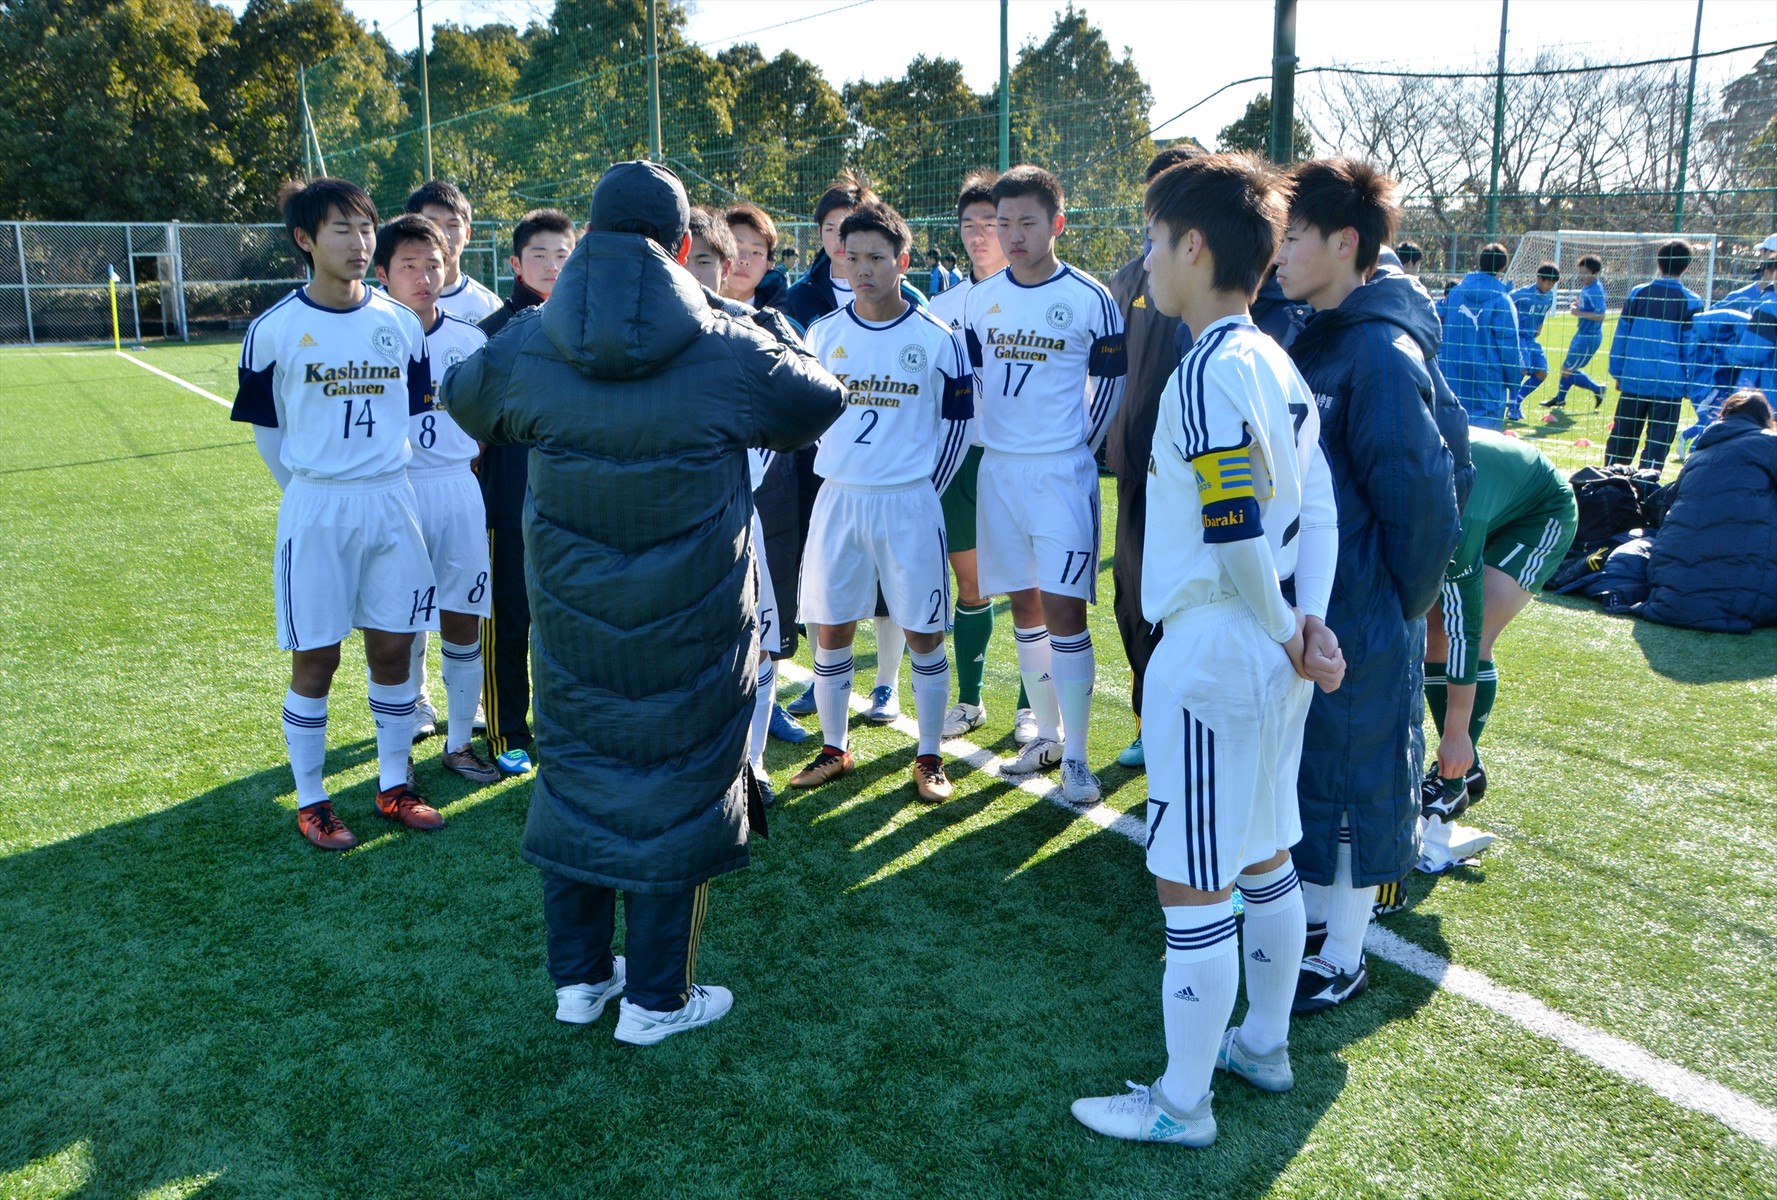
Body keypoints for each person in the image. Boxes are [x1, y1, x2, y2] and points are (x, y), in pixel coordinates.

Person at [442, 160, 845, 1044]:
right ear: (684, 246)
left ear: (586, 240)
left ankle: (580, 982)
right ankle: (656, 1000)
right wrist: (753, 319)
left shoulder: (535, 339)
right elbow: (819, 398)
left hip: (574, 620)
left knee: (578, 778)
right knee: (678, 791)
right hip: (693, 623)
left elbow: (463, 397)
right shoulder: (728, 343)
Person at [1071, 152, 1344, 1148]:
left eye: (1150, 238)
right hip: (1268, 648)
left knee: (1192, 886)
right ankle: (1262, 1046)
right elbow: (1314, 509)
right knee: (1267, 856)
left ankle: (1182, 1105)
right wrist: (1306, 625)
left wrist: (1284, 628)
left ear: (1192, 246)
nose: (1142, 259)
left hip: (1219, 646)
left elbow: (1232, 532)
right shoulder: (1276, 362)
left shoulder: (1208, 371)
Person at [1272, 157, 1460, 1013]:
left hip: (1362, 614)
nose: (1277, 253)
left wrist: (1390, 607)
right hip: (1317, 608)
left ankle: (1341, 953)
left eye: (1293, 236)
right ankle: (1314, 918)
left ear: (1344, 243)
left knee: (1354, 773)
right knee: (1312, 765)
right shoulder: (1314, 331)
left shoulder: (1380, 354)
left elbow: (1421, 506)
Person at [231, 177, 445, 850]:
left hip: (391, 501)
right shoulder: (273, 331)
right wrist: (308, 491)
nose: (359, 243)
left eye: (365, 228)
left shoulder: (397, 324)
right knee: (315, 660)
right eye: (342, 230)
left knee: (393, 650)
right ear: (305, 240)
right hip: (317, 507)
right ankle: (313, 799)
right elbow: (268, 434)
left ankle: (392, 784)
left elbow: (409, 414)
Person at [791, 201, 974, 803]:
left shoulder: (938, 338)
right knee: (832, 628)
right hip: (839, 499)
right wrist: (844, 469)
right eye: (852, 256)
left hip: (908, 503)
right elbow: (814, 419)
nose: (862, 268)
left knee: (923, 631)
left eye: (876, 257)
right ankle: (835, 748)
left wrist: (922, 487)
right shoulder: (823, 334)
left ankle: (928, 756)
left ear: (903, 260)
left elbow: (958, 427)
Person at [964, 164, 1126, 803]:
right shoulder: (982, 299)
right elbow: (975, 382)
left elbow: (1110, 385)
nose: (1013, 234)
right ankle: (1047, 735)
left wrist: (1074, 449)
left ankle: (1080, 759)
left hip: (1061, 472)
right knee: (1023, 606)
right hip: (999, 470)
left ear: (1056, 223)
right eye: (1003, 223)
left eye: (1027, 221)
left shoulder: (1091, 298)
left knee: (1064, 610)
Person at [781, 173, 926, 724]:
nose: (846, 246)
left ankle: (885, 685)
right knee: (825, 588)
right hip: (827, 474)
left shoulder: (909, 301)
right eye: (832, 231)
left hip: (895, 481)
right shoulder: (801, 300)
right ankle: (823, 681)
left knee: (893, 591)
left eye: (852, 229)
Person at [372, 214, 501, 785]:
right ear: (383, 274)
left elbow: (491, 418)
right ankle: (396, 759)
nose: (425, 276)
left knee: (464, 615)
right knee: (397, 626)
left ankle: (457, 742)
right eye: (409, 266)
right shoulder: (368, 334)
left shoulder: (470, 339)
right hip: (395, 491)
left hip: (456, 485)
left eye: (434, 264)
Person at [685, 205, 804, 799]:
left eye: (710, 260)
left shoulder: (760, 331)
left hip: (745, 517)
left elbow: (804, 409)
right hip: (675, 526)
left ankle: (750, 763)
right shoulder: (647, 337)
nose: (700, 271)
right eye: (692, 257)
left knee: (755, 645)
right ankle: (694, 760)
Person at [1419, 429, 1576, 872]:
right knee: (1433, 634)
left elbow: (1464, 628)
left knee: (1465, 633)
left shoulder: (1454, 509)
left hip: (1537, 513)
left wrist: (1455, 732)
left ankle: (1455, 774)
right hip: (1488, 501)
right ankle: (1466, 769)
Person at [923, 171, 1028, 742]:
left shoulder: (1030, 297)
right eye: (970, 224)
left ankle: (1029, 708)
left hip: (1018, 460)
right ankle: (969, 701)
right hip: (962, 459)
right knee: (971, 587)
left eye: (992, 222)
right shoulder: (943, 306)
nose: (980, 234)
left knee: (1028, 589)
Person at [1104, 144, 1198, 771]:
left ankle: (1188, 725)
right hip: (1136, 469)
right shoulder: (1131, 275)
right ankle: (1148, 719)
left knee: (1188, 600)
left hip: (1197, 475)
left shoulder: (1212, 273)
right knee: (1133, 598)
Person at [475, 208, 576, 776]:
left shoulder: (585, 327)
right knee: (508, 621)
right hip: (508, 505)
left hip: (571, 506)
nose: (552, 266)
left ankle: (564, 726)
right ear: (515, 263)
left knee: (567, 621)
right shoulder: (494, 333)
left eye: (564, 255)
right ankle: (506, 729)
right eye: (540, 254)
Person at [1606, 239, 1703, 474]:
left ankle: (1607, 490)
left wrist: (1618, 372)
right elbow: (1691, 348)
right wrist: (1691, 384)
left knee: (1621, 443)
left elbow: (1622, 335)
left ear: (1658, 263)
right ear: (1687, 266)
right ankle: (1644, 495)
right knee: (1656, 449)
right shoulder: (1692, 301)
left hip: (1636, 378)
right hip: (1669, 385)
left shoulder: (1638, 294)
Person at [1440, 242, 1522, 430]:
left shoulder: (1455, 294)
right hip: (1487, 380)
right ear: (1502, 268)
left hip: (1454, 374)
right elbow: (1509, 345)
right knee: (1486, 442)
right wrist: (1514, 383)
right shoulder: (1502, 300)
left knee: (1454, 437)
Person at [405, 179, 501, 323]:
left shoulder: (490, 307)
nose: (443, 235)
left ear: (468, 234)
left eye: (453, 225)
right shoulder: (384, 303)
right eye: (432, 224)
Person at [1543, 254, 1608, 409]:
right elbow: (1590, 308)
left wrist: (1579, 313)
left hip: (1589, 337)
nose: (1581, 275)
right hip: (1582, 334)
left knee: (1567, 369)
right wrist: (1579, 306)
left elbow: (1601, 315)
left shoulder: (1595, 290)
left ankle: (1597, 389)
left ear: (1593, 273)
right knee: (1567, 368)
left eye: (1585, 272)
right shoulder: (1588, 287)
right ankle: (1560, 398)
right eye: (1581, 271)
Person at [1507, 262, 1561, 419]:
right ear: (1539, 279)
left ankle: (1516, 402)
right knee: (1522, 369)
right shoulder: (1522, 294)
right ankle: (1511, 407)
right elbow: (1505, 303)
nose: (1550, 286)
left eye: (1552, 283)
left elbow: (1542, 315)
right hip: (1518, 337)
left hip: (1531, 338)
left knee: (1542, 373)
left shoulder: (1549, 297)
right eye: (1547, 282)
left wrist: (1540, 325)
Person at [721, 203, 786, 310]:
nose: (744, 260)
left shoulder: (783, 319)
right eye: (736, 248)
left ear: (769, 263)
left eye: (756, 252)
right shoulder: (692, 311)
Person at [1719, 234, 1777, 312]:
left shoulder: (1744, 295)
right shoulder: (1742, 296)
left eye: (1762, 251)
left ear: (1772, 254)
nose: (1760, 256)